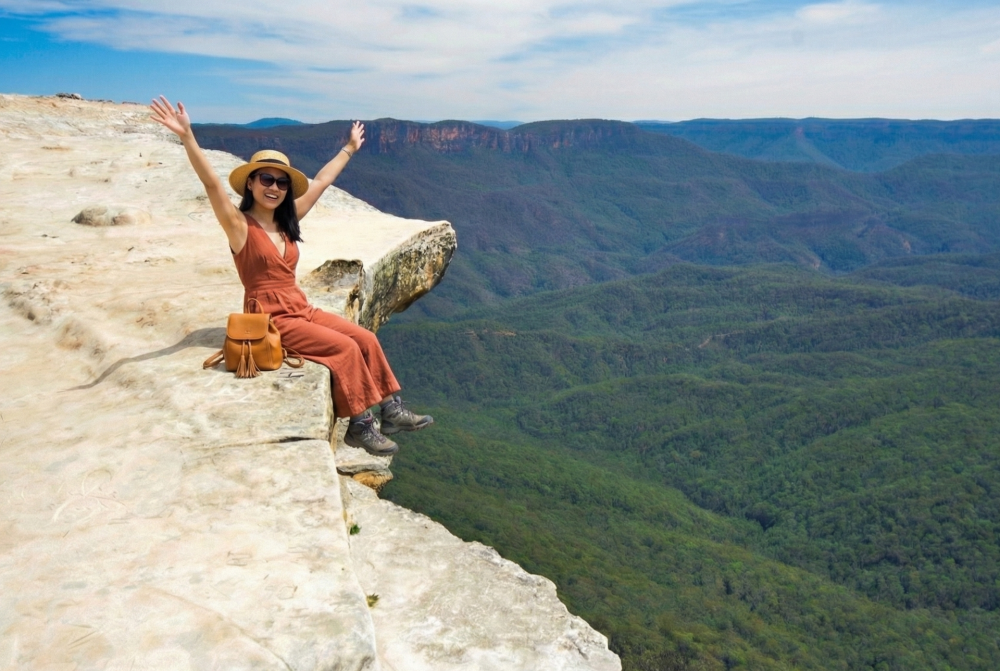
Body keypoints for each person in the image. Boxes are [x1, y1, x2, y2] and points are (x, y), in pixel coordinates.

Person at [149, 95, 431, 456]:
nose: (275, 187)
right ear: (250, 183)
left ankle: (392, 410)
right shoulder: (239, 226)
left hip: (300, 307)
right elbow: (212, 186)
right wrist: (188, 137)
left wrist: (348, 148)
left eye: (282, 183)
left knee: (364, 338)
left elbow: (320, 184)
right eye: (266, 179)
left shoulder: (287, 221)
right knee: (344, 349)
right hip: (270, 317)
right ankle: (360, 425)